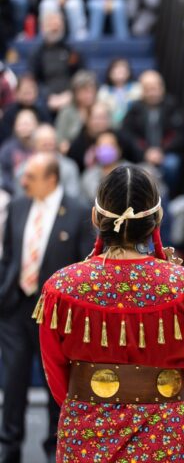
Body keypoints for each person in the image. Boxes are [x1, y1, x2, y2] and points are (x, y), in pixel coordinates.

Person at [37, 164, 184, 463]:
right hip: (169, 434)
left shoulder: (61, 287)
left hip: (87, 432)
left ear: (96, 218)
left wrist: (91, 406)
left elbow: (56, 378)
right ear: (157, 219)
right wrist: (169, 410)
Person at [0, 153, 92, 463]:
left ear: (51, 179)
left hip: (56, 313)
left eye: (30, 177)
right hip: (17, 305)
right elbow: (9, 255)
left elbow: (84, 266)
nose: (23, 182)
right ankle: (9, 447)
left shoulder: (78, 211)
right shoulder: (18, 206)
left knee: (57, 383)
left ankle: (56, 447)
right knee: (12, 383)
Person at [122, 70, 184, 193]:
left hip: (165, 153)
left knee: (172, 164)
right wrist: (144, 152)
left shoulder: (172, 106)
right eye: (148, 89)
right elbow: (128, 135)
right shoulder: (134, 109)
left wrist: (161, 151)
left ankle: (168, 198)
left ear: (162, 88)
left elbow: (180, 134)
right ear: (142, 90)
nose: (152, 93)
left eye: (155, 88)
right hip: (141, 155)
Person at [28, 11, 85, 114]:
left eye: (57, 24)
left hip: (71, 98)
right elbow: (32, 80)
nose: (54, 28)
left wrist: (70, 95)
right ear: (43, 27)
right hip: (45, 101)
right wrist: (47, 96)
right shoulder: (37, 54)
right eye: (50, 24)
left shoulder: (72, 51)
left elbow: (81, 75)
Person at [14, 124, 80, 198]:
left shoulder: (69, 167)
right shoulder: (24, 169)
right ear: (35, 147)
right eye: (44, 145)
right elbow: (20, 199)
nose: (49, 148)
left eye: (51, 144)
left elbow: (73, 197)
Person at [54, 70, 98, 153]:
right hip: (73, 152)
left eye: (91, 90)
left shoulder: (100, 108)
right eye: (84, 91)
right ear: (75, 93)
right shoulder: (67, 111)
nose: (88, 94)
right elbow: (60, 138)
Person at [0, 75, 51, 145]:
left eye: (31, 91)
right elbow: (5, 139)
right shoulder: (9, 113)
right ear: (16, 93)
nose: (29, 96)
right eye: (25, 92)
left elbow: (48, 132)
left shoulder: (42, 112)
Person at [0, 108, 39, 194]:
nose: (24, 127)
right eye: (21, 124)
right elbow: (4, 176)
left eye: (28, 124)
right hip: (13, 192)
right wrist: (18, 189)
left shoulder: (41, 146)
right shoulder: (7, 148)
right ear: (15, 127)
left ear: (36, 125)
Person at [96, 57, 142, 126]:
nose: (120, 72)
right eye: (116, 69)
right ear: (109, 73)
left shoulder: (137, 89)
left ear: (129, 72)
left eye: (123, 69)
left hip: (133, 126)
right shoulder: (103, 91)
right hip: (110, 126)